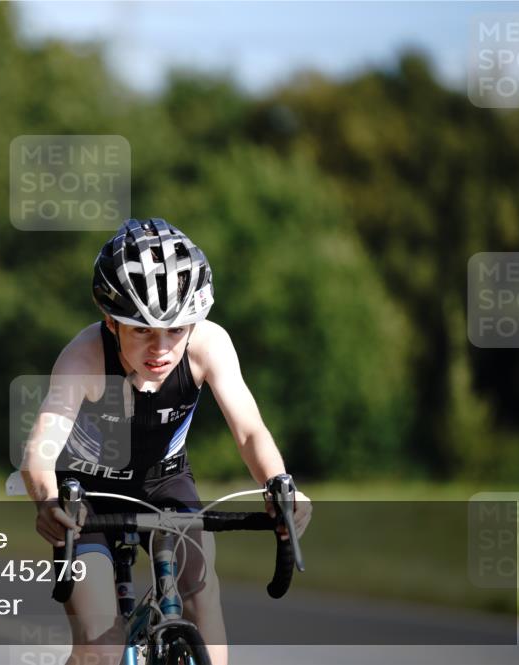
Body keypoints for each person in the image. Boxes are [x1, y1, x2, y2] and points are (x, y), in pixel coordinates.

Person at [20, 218, 312, 665]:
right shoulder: (84, 357)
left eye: (177, 329)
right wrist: (46, 500)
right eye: (142, 330)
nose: (161, 348)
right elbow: (40, 448)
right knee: (101, 644)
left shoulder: (209, 345)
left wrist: (278, 483)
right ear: (110, 321)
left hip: (166, 482)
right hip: (89, 495)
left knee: (201, 590)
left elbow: (250, 430)